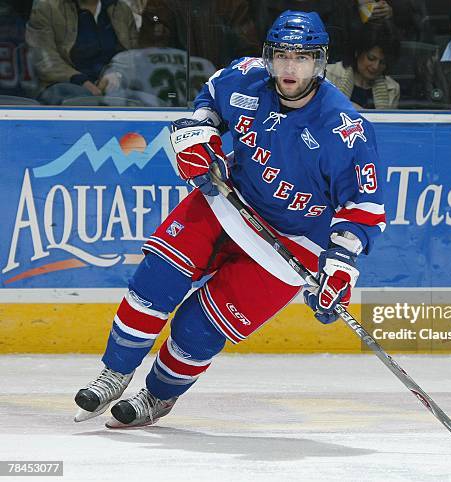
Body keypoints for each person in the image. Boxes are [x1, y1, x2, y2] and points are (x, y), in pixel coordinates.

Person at [73, 10, 386, 428]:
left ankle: (158, 396)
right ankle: (115, 372)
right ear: (267, 55)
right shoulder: (243, 77)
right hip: (227, 200)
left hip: (293, 245)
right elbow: (209, 104)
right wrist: (198, 135)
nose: (289, 66)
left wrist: (341, 263)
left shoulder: (345, 128)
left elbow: (362, 207)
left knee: (199, 328)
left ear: (320, 61)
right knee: (155, 281)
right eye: (281, 55)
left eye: (302, 57)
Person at [25, 0, 138, 105]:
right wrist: (80, 80)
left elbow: (132, 56)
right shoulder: (47, 7)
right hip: (64, 87)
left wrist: (117, 74)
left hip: (112, 89)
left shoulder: (121, 9)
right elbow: (43, 60)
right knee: (82, 100)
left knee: (147, 101)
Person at [139, 0, 260, 69]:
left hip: (223, 90)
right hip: (175, 93)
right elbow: (151, 58)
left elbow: (249, 54)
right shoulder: (161, 5)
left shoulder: (231, 4)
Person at [326, 22, 401, 109]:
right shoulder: (328, 76)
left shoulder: (392, 88)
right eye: (371, 58)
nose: (375, 67)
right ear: (357, 53)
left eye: (383, 62)